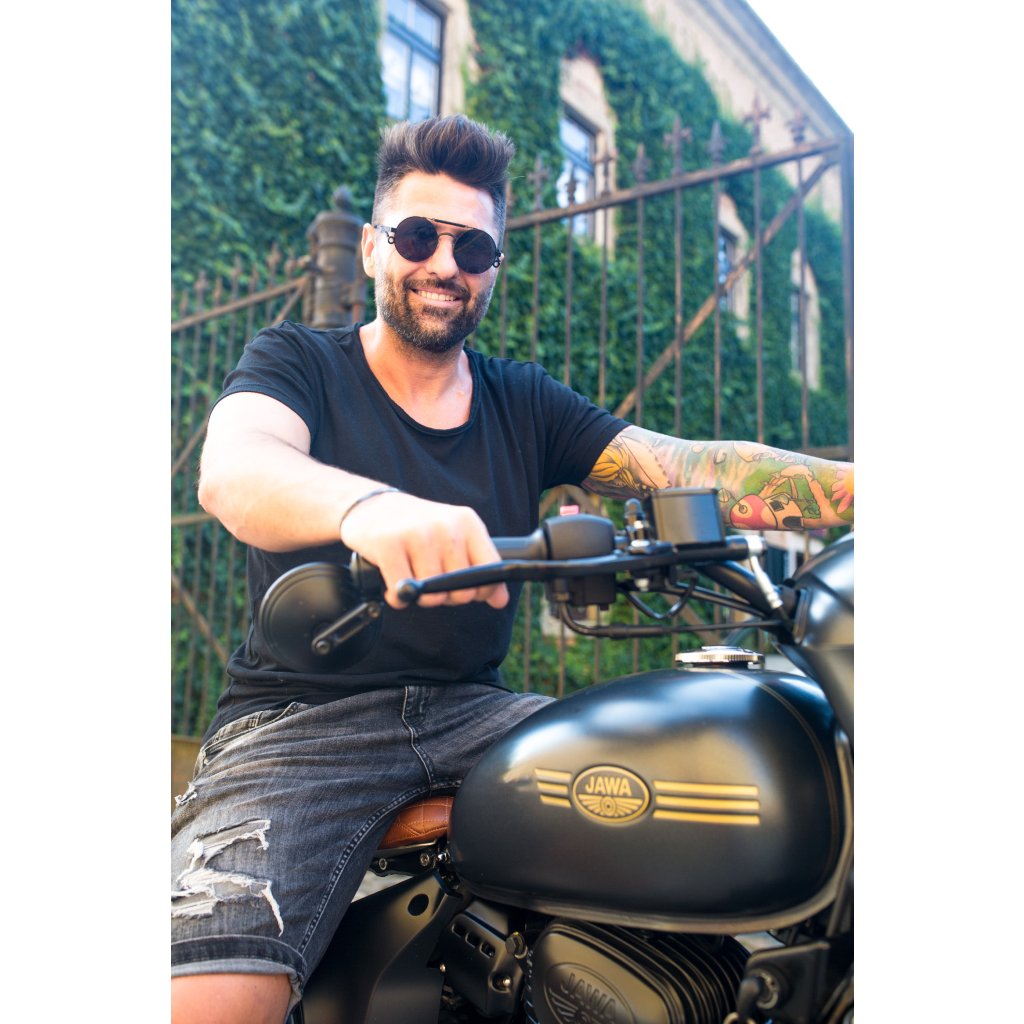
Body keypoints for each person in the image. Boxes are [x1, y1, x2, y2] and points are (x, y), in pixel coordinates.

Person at [171, 113, 853, 1023]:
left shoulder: (524, 401)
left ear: (494, 266)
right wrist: (371, 509)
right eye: (418, 235)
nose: (444, 263)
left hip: (475, 713)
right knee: (216, 998)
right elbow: (236, 469)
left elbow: (688, 467)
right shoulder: (297, 361)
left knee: (694, 813)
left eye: (474, 246)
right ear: (373, 247)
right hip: (301, 722)